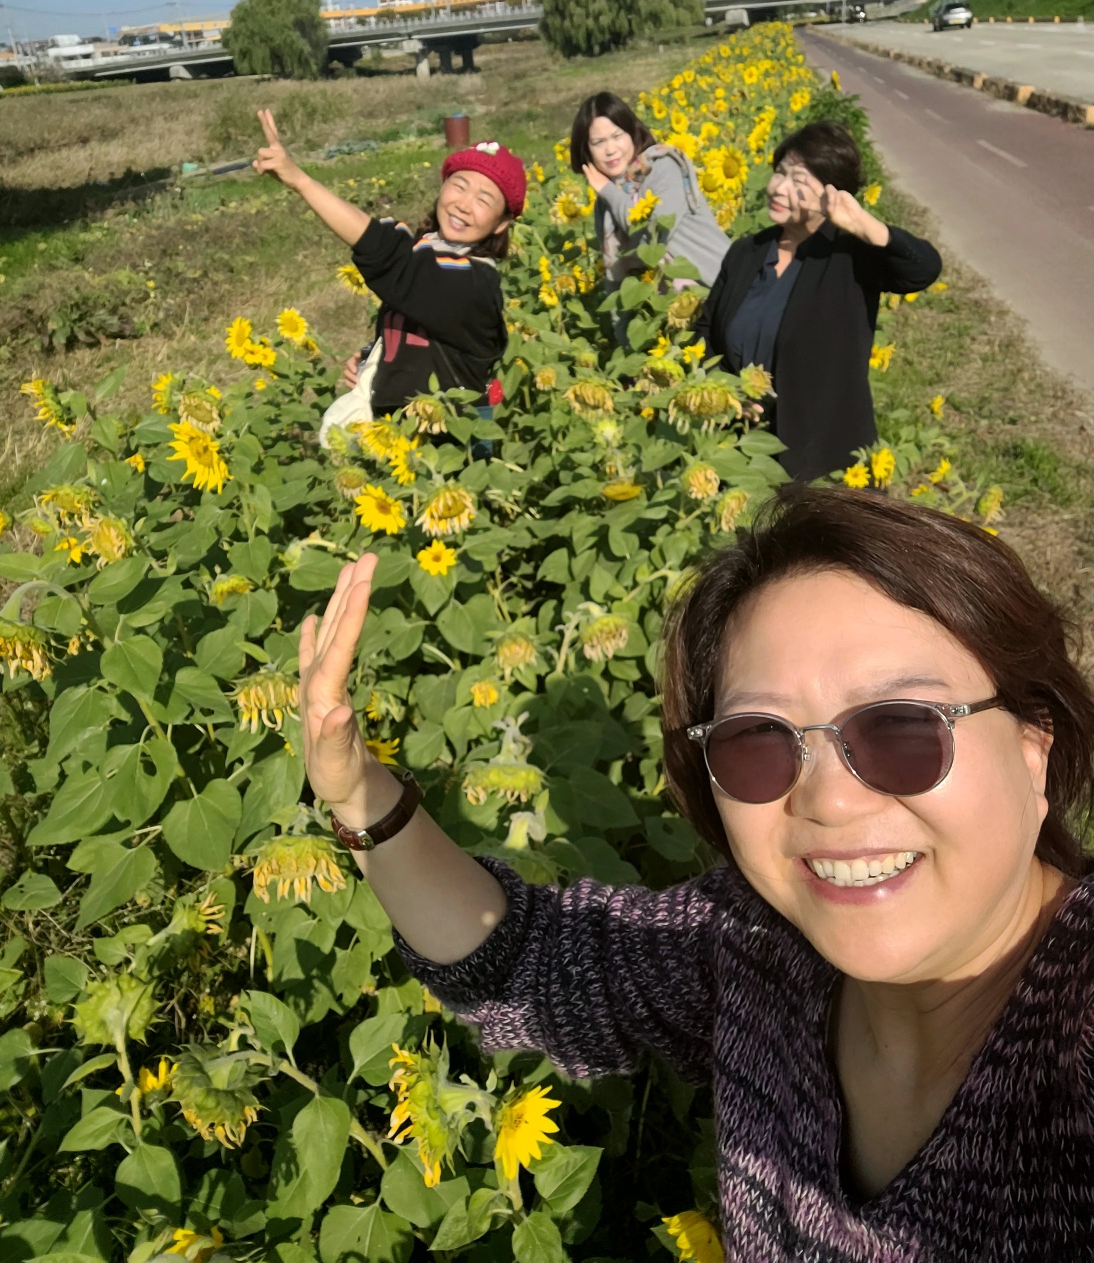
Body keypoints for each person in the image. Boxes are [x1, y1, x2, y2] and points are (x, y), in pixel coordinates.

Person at [298, 485, 1094, 1260]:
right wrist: (358, 792)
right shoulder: (758, 947)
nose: (828, 799)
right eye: (759, 742)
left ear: (1035, 743)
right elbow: (534, 962)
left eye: (900, 726)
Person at [251, 111, 523, 444]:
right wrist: (374, 360)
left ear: (501, 223)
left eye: (484, 199)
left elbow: (395, 262)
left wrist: (302, 182)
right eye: (459, 186)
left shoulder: (474, 283)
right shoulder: (430, 251)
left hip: (450, 446)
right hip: (396, 436)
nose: (464, 204)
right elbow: (423, 328)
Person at [694, 120, 942, 481]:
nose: (779, 188)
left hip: (825, 461)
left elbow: (924, 269)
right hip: (740, 450)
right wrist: (726, 394)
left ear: (832, 194)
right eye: (780, 172)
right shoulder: (747, 252)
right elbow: (705, 332)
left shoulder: (850, 255)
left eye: (799, 182)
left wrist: (863, 225)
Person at [571, 91, 731, 294]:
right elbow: (616, 275)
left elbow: (653, 240)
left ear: (632, 133)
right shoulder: (606, 202)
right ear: (586, 150)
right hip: (672, 307)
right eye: (598, 142)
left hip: (726, 288)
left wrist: (608, 191)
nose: (610, 150)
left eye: (617, 136)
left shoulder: (663, 168)